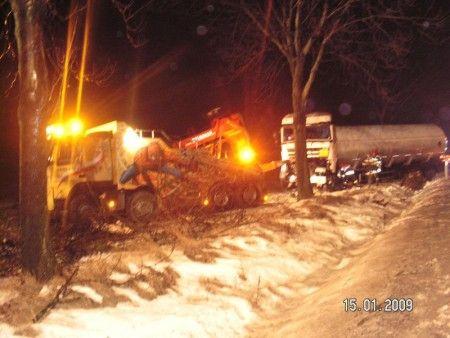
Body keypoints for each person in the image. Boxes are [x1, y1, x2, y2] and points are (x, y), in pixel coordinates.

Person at [120, 139, 193, 184]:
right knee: (123, 179)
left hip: (156, 165)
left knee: (170, 170)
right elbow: (143, 173)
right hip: (141, 166)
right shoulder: (141, 157)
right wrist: (149, 184)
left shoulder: (160, 153)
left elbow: (173, 159)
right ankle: (182, 175)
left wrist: (185, 165)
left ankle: (183, 176)